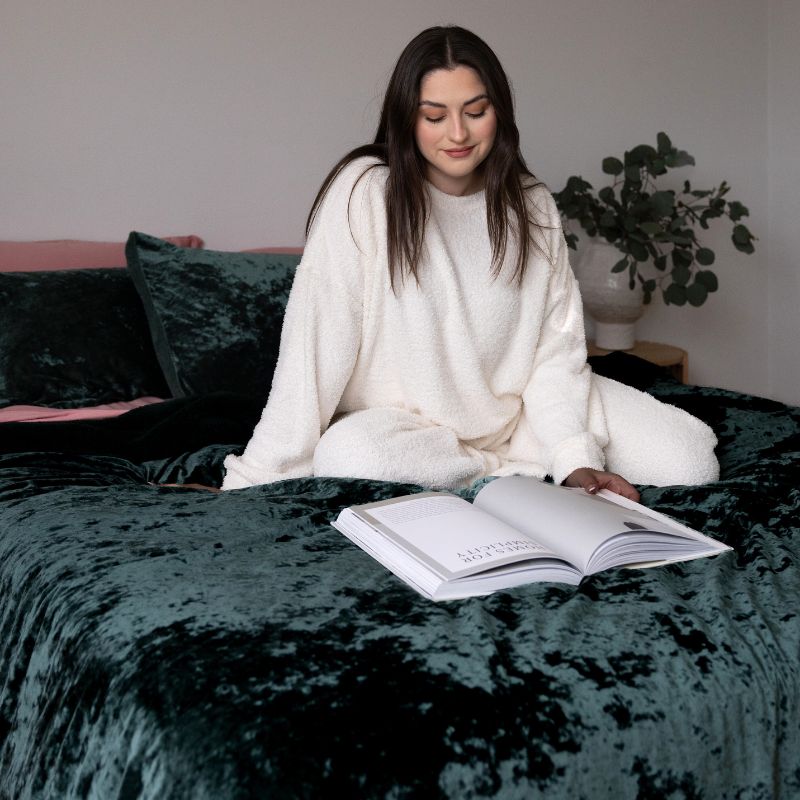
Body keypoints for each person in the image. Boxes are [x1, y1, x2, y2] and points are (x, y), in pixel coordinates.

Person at [221, 25, 719, 498]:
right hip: (410, 433)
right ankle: (501, 476)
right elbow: (315, 345)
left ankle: (514, 469)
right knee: (350, 456)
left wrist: (572, 454)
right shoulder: (365, 191)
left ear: (498, 111)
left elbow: (556, 351)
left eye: (475, 111)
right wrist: (257, 476)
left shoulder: (532, 203)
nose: (457, 133)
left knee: (691, 460)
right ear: (406, 118)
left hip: (522, 419)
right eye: (434, 116)